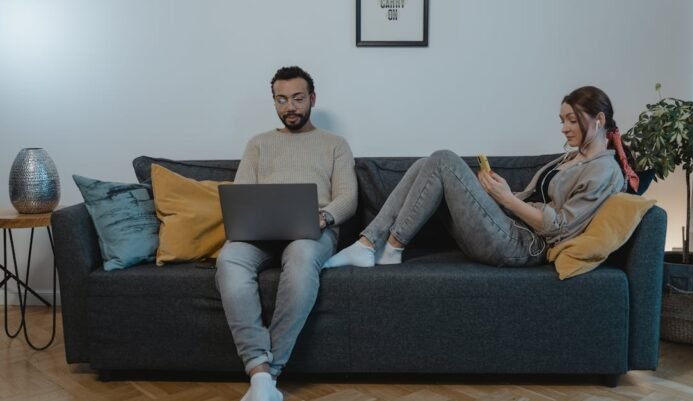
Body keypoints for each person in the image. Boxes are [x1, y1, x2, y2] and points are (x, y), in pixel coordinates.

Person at [324, 85, 638, 269]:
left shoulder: (604, 170)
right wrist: (495, 193)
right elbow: (531, 198)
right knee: (427, 163)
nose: (564, 128)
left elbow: (560, 227)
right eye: (562, 120)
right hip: (508, 226)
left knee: (444, 159)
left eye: (571, 120)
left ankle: (390, 247)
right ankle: (369, 243)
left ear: (598, 120)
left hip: (524, 246)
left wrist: (507, 200)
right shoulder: (574, 156)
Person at [216, 66, 357, 401]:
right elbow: (242, 193)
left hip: (313, 230)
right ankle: (258, 370)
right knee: (229, 259)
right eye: (282, 100)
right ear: (275, 102)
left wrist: (322, 218)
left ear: (312, 98)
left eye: (297, 98)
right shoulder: (259, 144)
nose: (290, 106)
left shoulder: (334, 144)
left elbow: (348, 199)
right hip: (259, 233)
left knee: (302, 256)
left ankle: (269, 373)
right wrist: (244, 223)